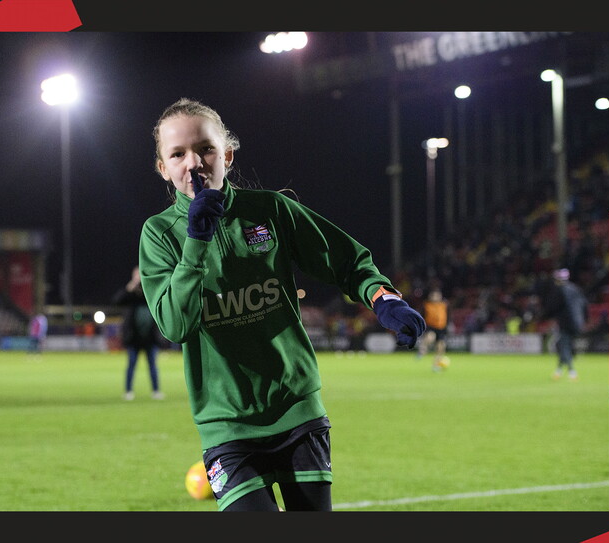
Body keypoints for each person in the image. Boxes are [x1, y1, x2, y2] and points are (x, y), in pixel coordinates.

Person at [137, 98, 425, 512]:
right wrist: (196, 242)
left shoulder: (270, 210)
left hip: (297, 412)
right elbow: (175, 325)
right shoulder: (159, 234)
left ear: (228, 155)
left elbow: (347, 261)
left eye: (206, 149)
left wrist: (383, 299)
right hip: (227, 426)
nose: (193, 163)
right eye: (178, 154)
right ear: (164, 168)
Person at [111, 266, 165, 400]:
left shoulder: (150, 292)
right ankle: (128, 391)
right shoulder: (131, 295)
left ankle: (156, 390)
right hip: (133, 338)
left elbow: (161, 298)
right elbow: (117, 301)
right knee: (131, 365)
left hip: (150, 338)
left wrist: (147, 284)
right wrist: (131, 285)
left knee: (153, 366)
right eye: (137, 275)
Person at [541, 268, 587, 381]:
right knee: (566, 345)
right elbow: (584, 305)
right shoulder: (575, 289)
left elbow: (552, 307)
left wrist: (543, 316)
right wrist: (584, 319)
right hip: (577, 322)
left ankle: (572, 371)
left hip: (566, 322)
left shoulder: (559, 290)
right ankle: (558, 371)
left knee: (564, 346)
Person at [417, 288, 450, 371]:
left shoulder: (444, 305)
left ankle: (436, 365)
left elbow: (448, 316)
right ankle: (422, 350)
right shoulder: (426, 305)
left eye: (437, 296)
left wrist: (448, 325)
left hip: (441, 328)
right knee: (430, 337)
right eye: (433, 295)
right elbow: (421, 316)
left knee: (440, 347)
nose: (435, 297)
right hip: (431, 327)